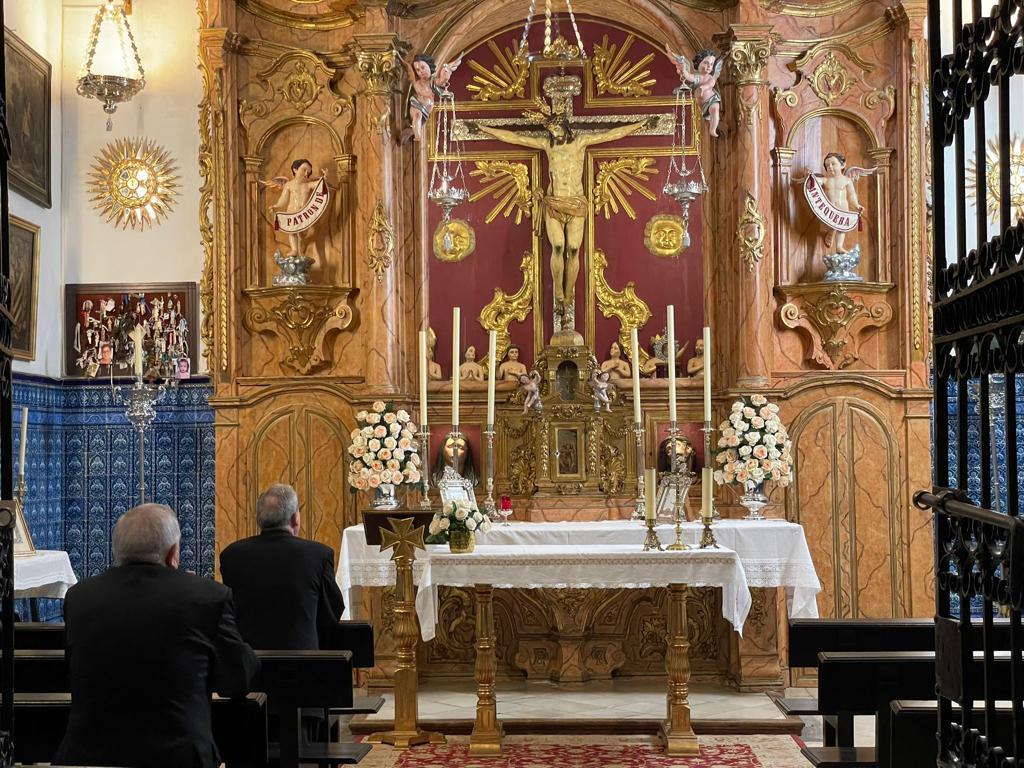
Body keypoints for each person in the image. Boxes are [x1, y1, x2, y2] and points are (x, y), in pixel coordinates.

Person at [55, 504, 258, 768]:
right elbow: (238, 679)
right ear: (173, 553)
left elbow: (73, 672)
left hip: (89, 756)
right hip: (178, 755)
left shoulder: (80, 597)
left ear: (117, 551)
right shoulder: (207, 596)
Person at [220, 484, 344, 650]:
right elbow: (331, 612)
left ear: (259, 520)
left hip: (250, 663)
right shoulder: (319, 555)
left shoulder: (231, 555)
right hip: (303, 661)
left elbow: (229, 612)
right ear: (295, 519)